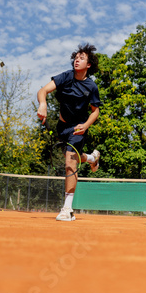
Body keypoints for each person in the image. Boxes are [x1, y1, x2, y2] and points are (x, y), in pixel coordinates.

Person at [37, 43, 101, 221]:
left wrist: (86, 125)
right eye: (76, 57)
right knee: (74, 157)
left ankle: (67, 209)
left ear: (88, 65)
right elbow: (43, 90)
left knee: (69, 162)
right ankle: (91, 158)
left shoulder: (91, 87)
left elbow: (95, 110)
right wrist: (43, 104)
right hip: (62, 127)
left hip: (78, 128)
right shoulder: (65, 76)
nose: (77, 60)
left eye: (82, 58)